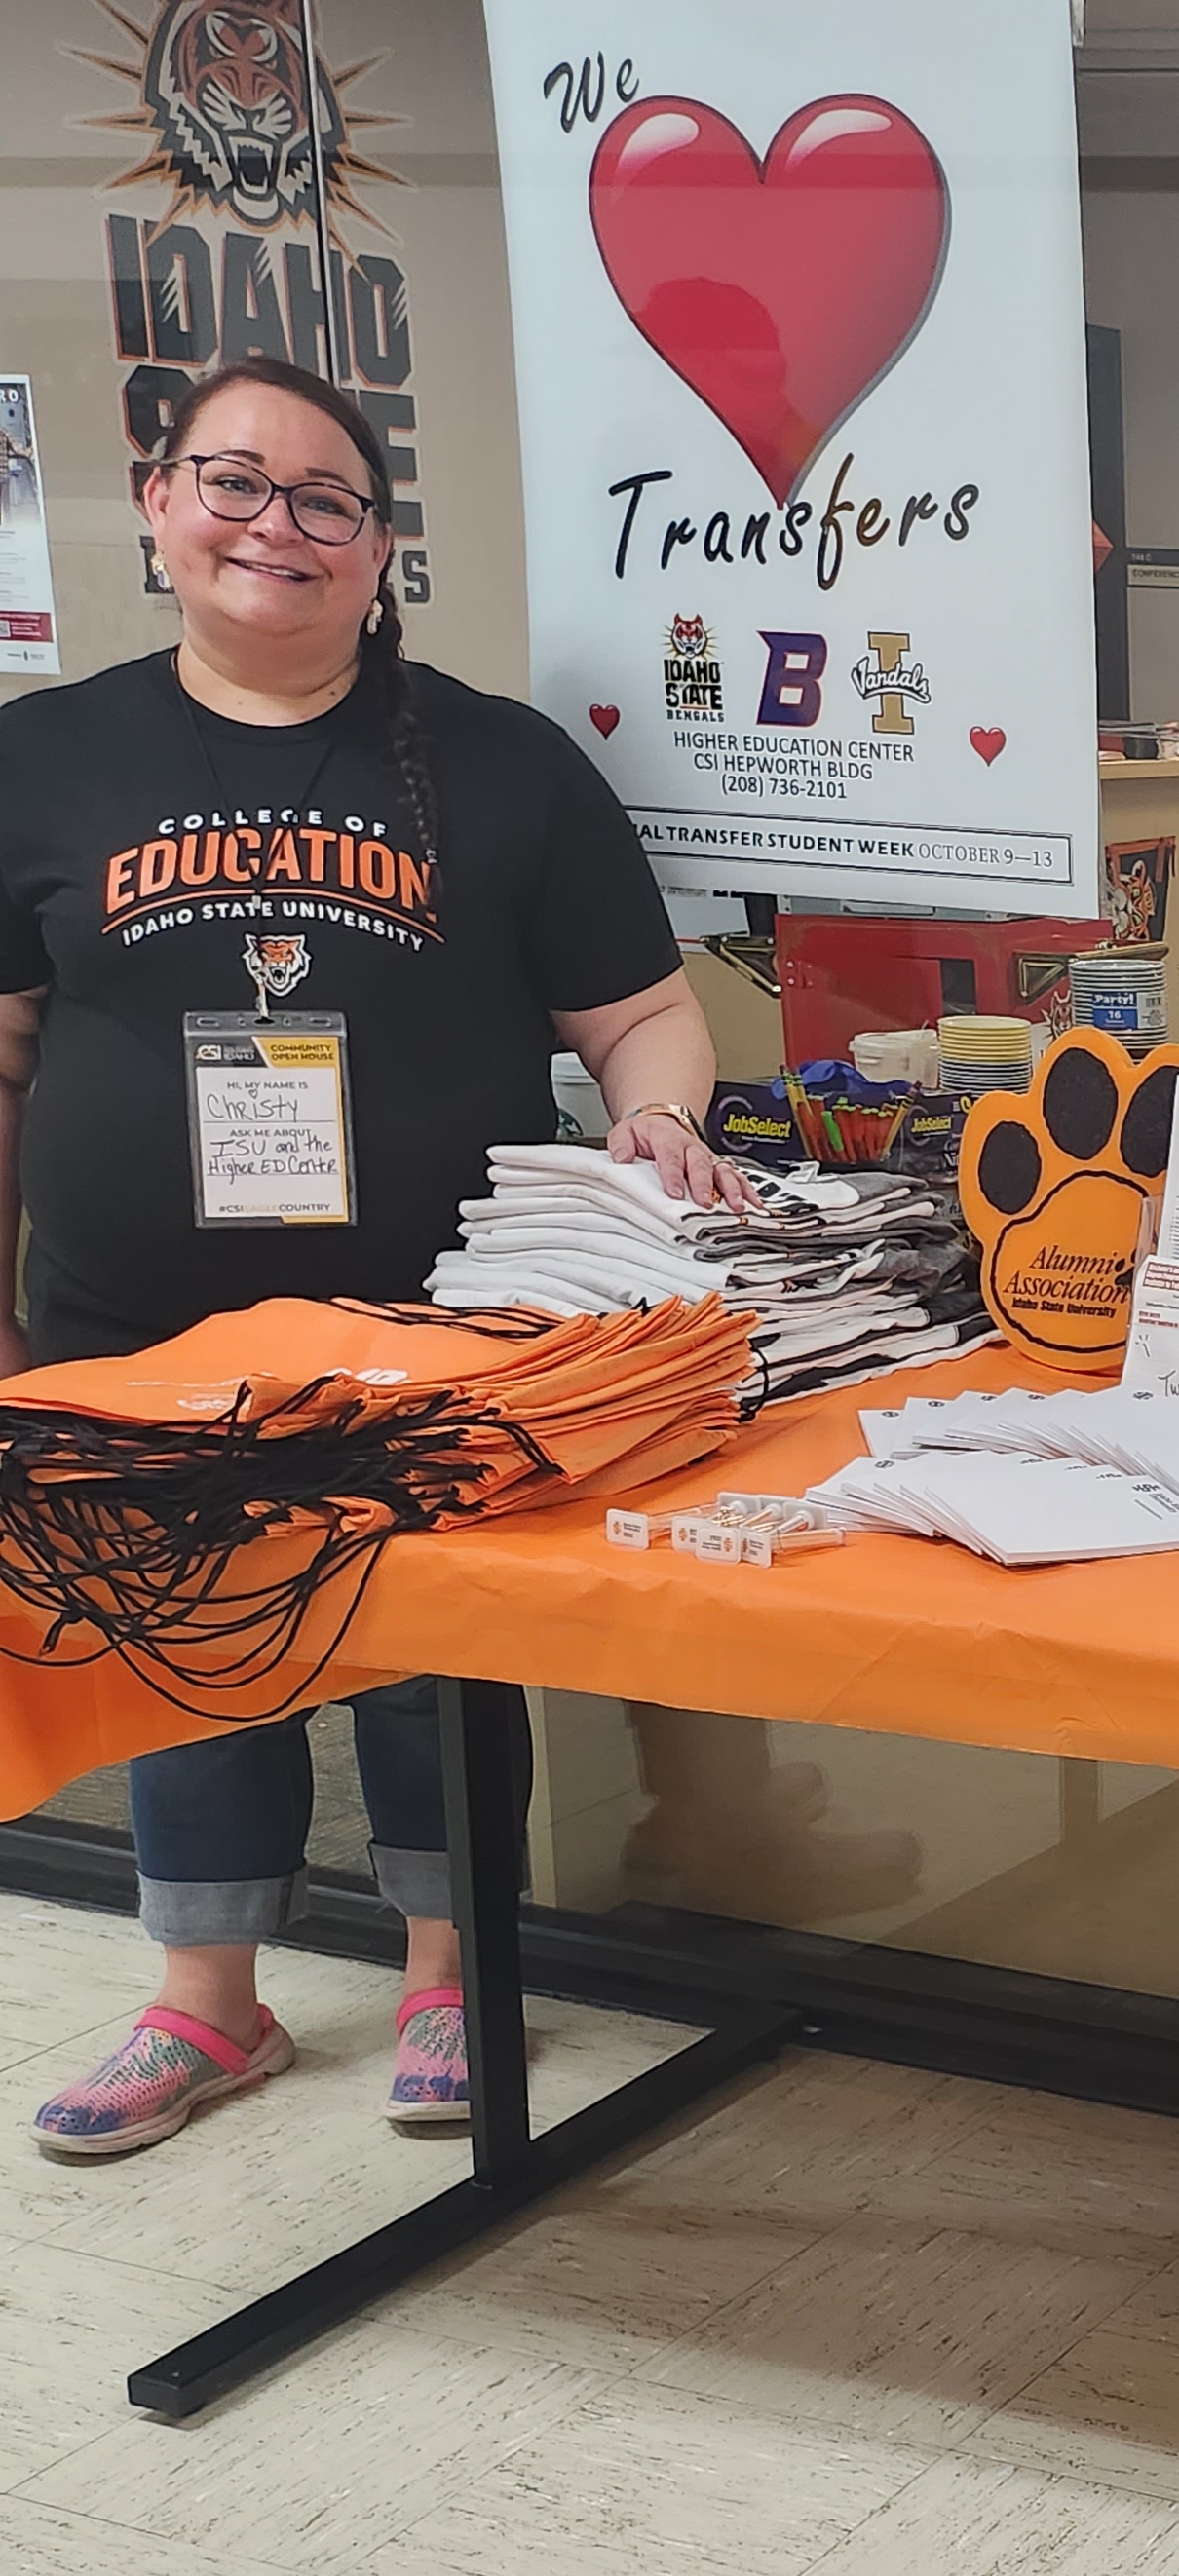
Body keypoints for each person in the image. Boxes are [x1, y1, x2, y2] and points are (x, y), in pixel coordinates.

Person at [0, 357, 757, 2159]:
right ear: (162, 507)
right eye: (236, 482)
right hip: (132, 1326)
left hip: (439, 1319)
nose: (279, 525)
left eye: (326, 498)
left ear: (379, 547)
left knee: (429, 1652)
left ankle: (448, 1973)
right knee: (184, 1643)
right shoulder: (39, 758)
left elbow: (643, 1014)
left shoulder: (502, 768)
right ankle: (208, 2001)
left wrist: (662, 1118)